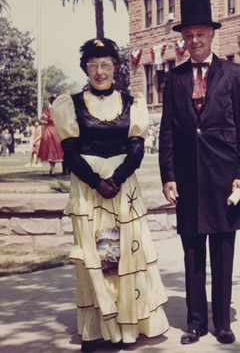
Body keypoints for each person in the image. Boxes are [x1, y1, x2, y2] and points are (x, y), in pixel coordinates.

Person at [51, 38, 169, 352]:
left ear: (116, 67)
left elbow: (135, 149)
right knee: (102, 255)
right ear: (84, 68)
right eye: (93, 65)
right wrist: (95, 181)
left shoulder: (132, 103)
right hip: (90, 192)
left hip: (122, 189)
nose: (99, 71)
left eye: (105, 64)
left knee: (123, 253)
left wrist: (115, 179)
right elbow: (70, 152)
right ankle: (104, 324)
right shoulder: (71, 103)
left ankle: (129, 323)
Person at [159, 0, 240, 345]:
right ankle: (195, 322)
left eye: (200, 33)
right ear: (182, 39)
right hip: (188, 179)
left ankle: (222, 322)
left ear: (212, 35)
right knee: (191, 254)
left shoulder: (233, 74)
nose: (195, 41)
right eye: (188, 35)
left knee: (222, 251)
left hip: (224, 178)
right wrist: (168, 176)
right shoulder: (175, 78)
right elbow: (168, 130)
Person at [38, 94, 65, 175]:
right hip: (51, 132)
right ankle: (52, 169)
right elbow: (43, 124)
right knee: (52, 150)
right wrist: (42, 133)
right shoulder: (47, 111)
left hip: (55, 132)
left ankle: (52, 169)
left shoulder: (59, 112)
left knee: (54, 150)